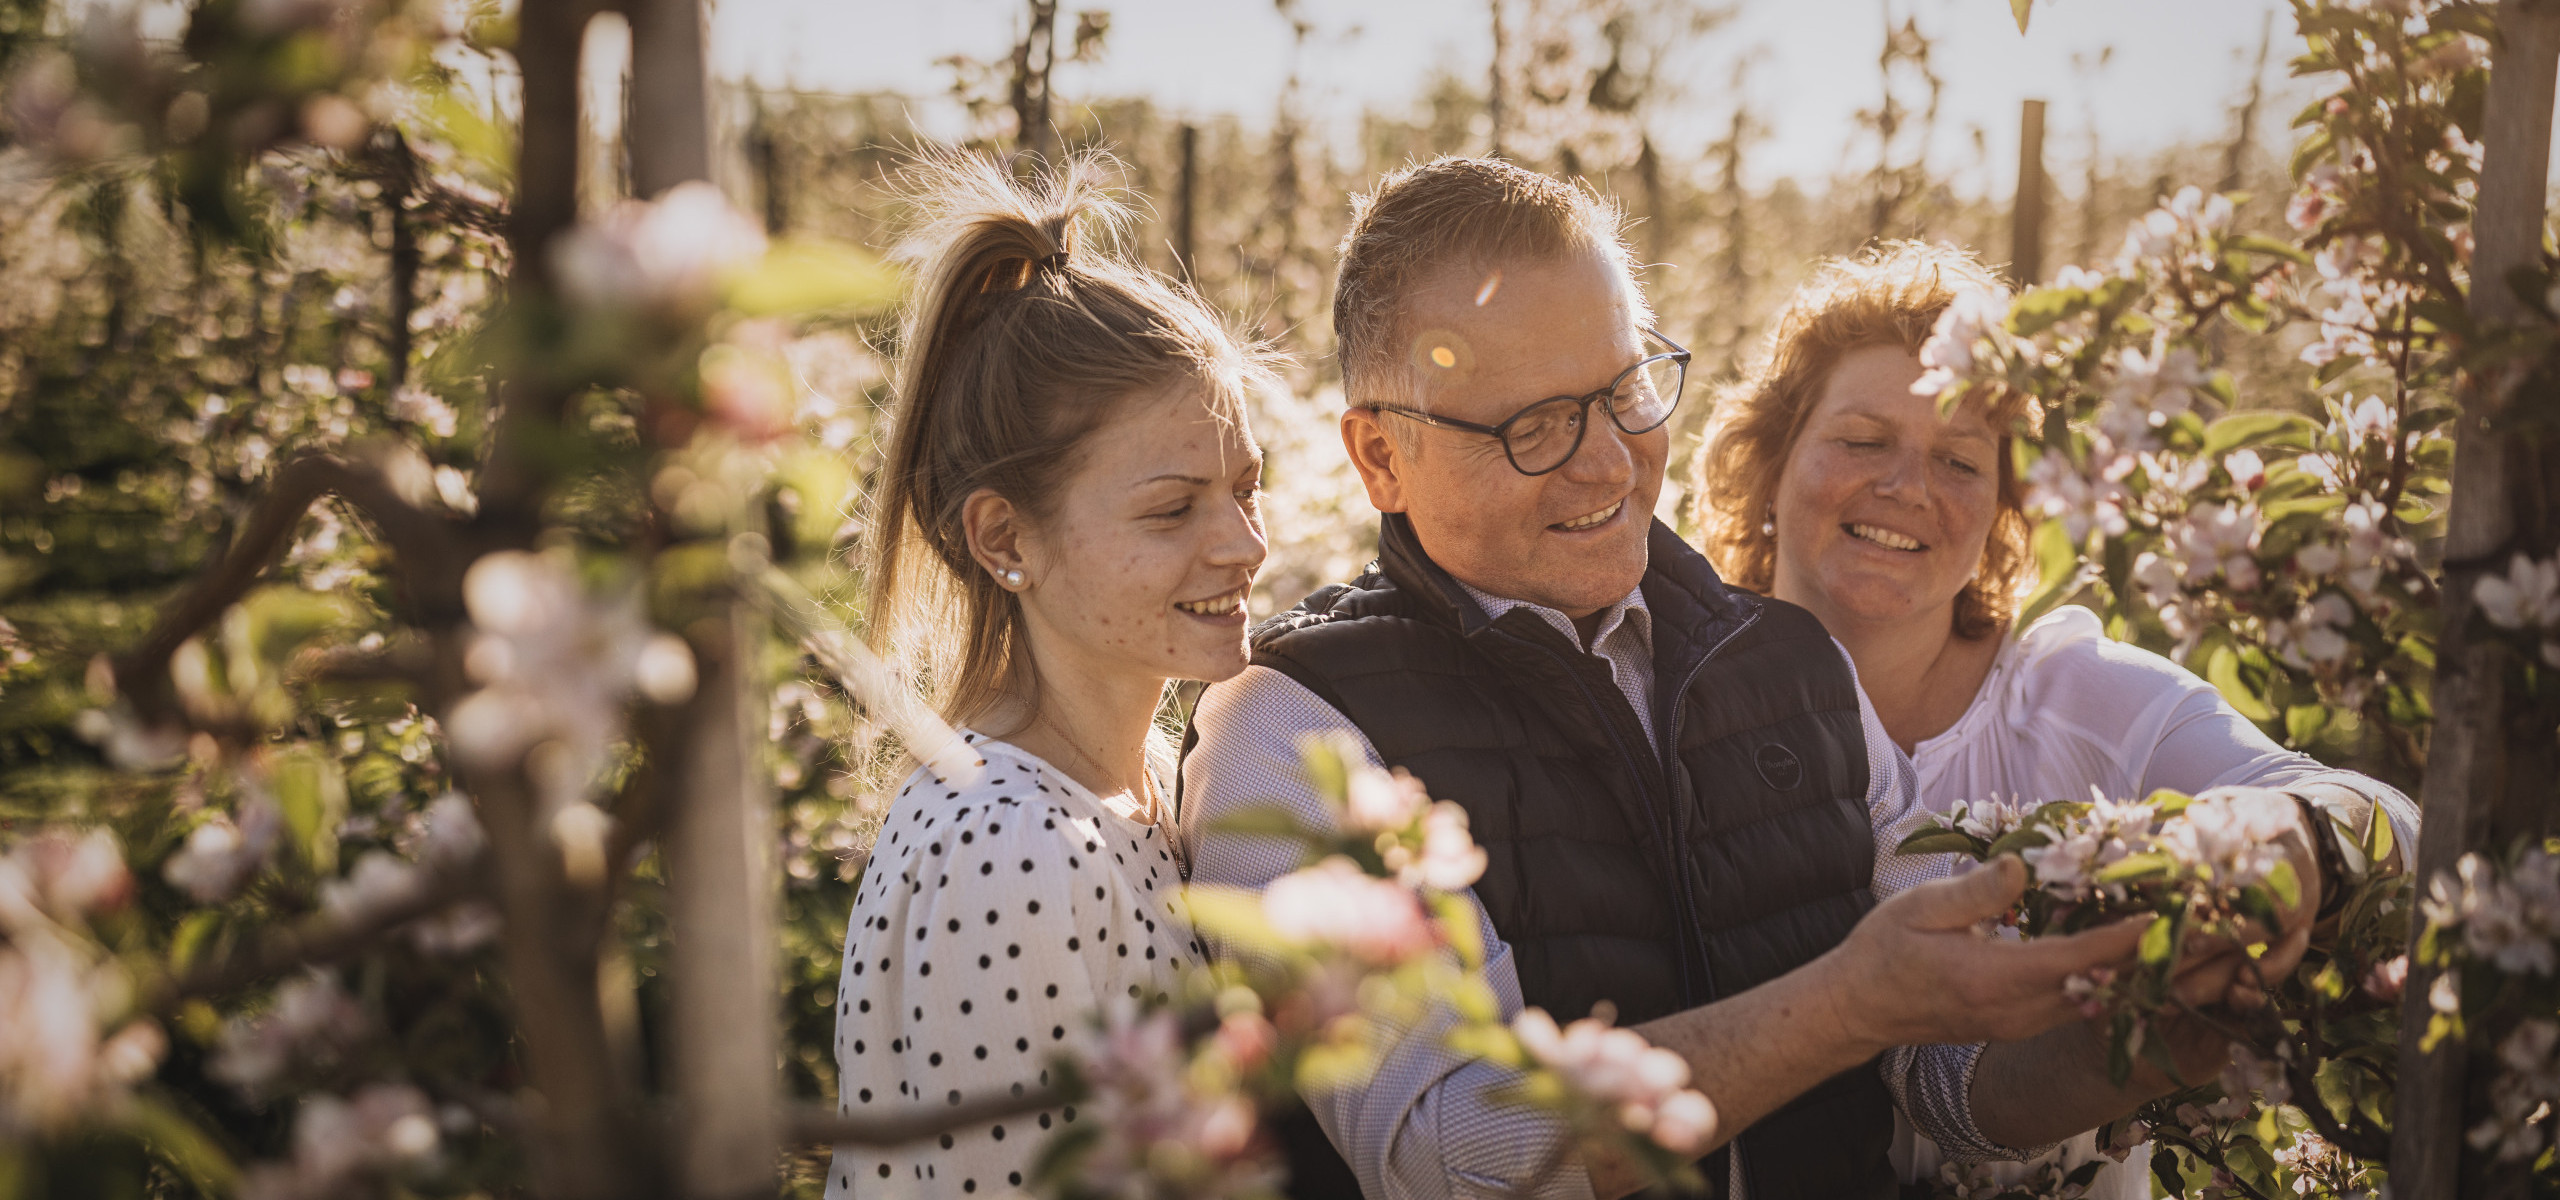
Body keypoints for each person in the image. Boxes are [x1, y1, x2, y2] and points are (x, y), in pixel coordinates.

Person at [1178, 157, 2321, 1200]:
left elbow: (1936, 1076)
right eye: (1535, 425)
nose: (1608, 463)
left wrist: (2133, 1047)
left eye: (1624, 392)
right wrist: (1841, 1004)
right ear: (1382, 456)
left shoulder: (1788, 662)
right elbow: (1448, 1154)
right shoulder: (1291, 729)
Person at [1692, 240, 2420, 1197]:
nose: (1907, 487)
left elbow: (2392, 821)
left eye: (1959, 460)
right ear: (1770, 460)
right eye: (1863, 440)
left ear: (2006, 509)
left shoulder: (2078, 698)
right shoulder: (1674, 703)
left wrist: (2297, 835)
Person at [825, 152, 1273, 1198]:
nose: (1245, 545)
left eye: (1247, 488)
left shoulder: (1141, 783)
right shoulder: (1009, 847)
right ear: (1004, 539)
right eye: (1172, 510)